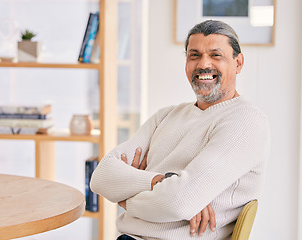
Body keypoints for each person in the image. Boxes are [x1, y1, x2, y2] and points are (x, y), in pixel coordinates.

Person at [90, 20, 270, 240]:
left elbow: (178, 202)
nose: (204, 64)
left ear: (238, 63)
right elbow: (100, 177)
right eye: (194, 55)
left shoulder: (245, 121)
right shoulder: (165, 116)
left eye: (216, 55)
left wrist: (125, 199)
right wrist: (157, 181)